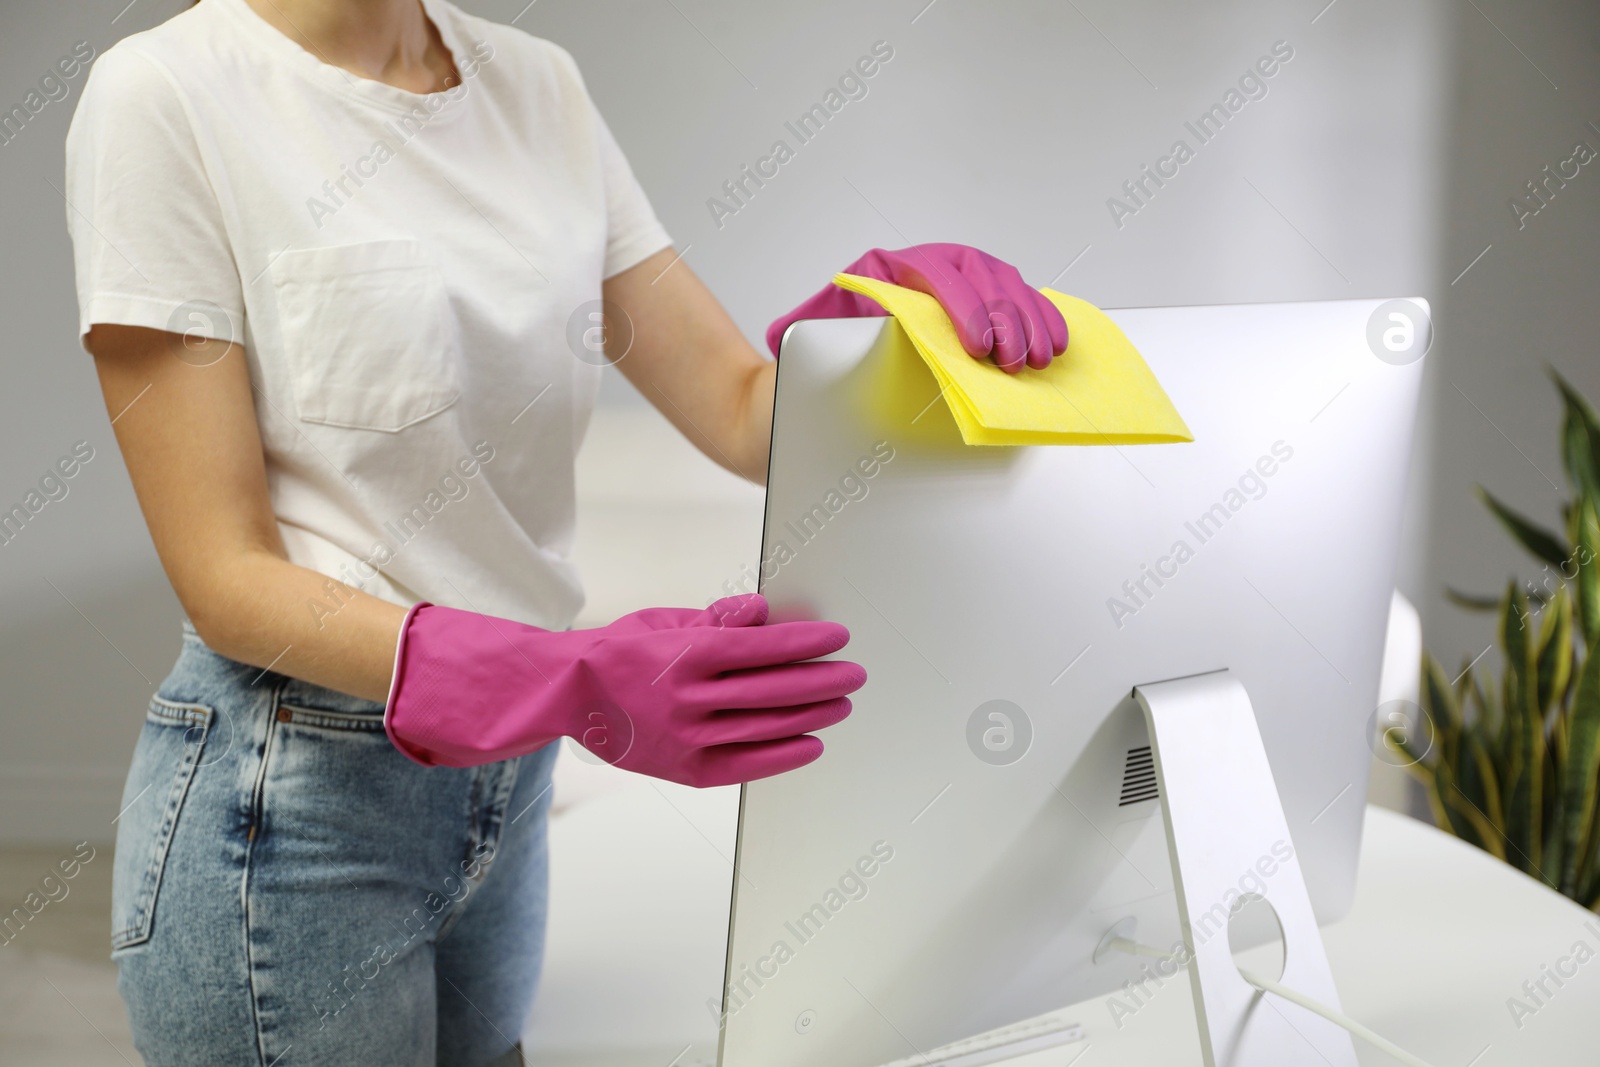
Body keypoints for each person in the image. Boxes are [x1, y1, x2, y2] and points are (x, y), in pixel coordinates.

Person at [64, 0, 1068, 1063]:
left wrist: (874, 338)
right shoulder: (165, 93)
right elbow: (226, 576)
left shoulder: (537, 83)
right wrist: (573, 676)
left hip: (509, 778)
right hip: (297, 796)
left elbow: (735, 404)